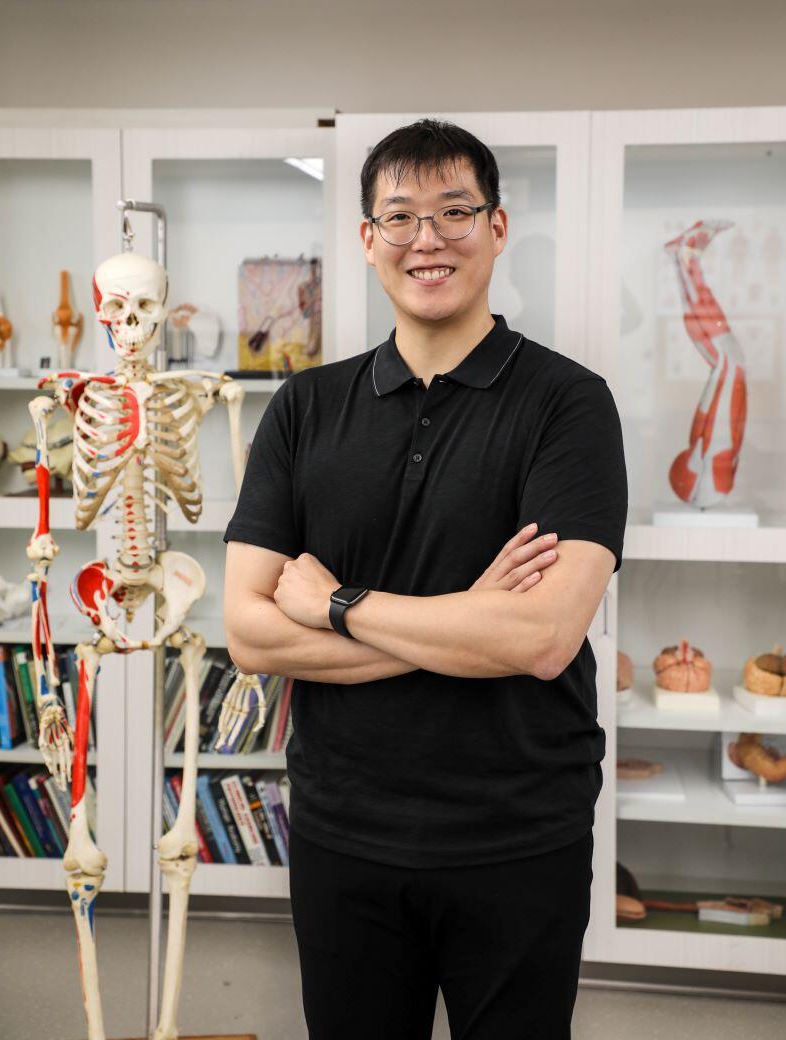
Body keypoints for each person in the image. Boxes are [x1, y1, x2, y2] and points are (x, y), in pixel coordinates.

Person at [223, 118, 628, 1040]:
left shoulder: (569, 405)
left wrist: (337, 605)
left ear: (497, 226)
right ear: (367, 240)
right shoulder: (304, 408)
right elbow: (248, 633)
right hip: (342, 835)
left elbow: (540, 638)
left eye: (455, 211)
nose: (428, 239)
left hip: (519, 834)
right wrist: (468, 620)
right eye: (399, 217)